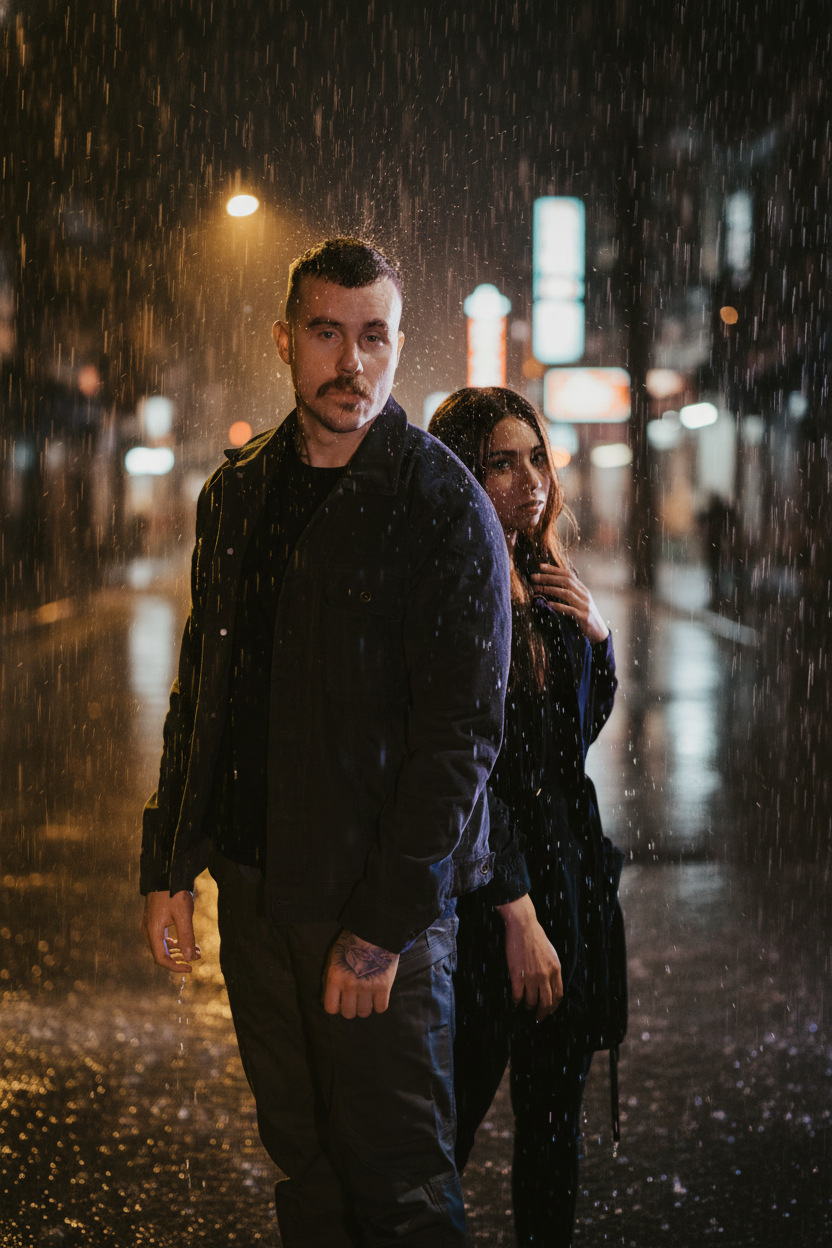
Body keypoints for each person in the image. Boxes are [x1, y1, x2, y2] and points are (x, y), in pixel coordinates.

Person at [139, 239, 512, 1247]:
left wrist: (384, 926)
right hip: (255, 897)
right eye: (327, 333)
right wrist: (170, 861)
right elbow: (206, 695)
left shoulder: (439, 504)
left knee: (396, 1185)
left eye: (374, 335)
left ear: (397, 346)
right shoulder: (240, 494)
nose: (352, 362)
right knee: (303, 1169)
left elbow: (460, 737)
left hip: (370, 903)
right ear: (285, 342)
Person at [428, 387, 626, 1248]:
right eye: (500, 462)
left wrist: (597, 640)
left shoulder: (543, 582)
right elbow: (470, 776)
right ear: (462, 471)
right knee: (446, 1127)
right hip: (483, 901)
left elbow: (565, 746)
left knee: (554, 1136)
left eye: (536, 458)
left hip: (567, 888)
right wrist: (515, 908)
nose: (528, 480)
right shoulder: (449, 592)